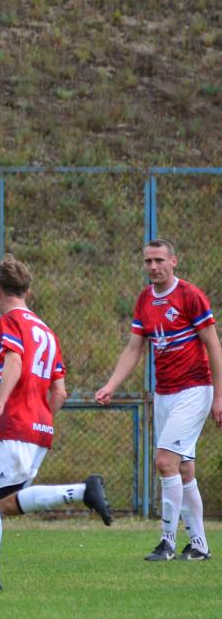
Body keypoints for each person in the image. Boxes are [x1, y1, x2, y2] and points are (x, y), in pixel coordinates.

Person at [0, 255, 113, 591]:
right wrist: (40, 420)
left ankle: (82, 491)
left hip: (18, 423)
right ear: (28, 291)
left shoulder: (8, 322)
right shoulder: (46, 331)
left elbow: (14, 361)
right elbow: (60, 391)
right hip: (40, 425)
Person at [95, 238, 222, 561]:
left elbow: (213, 345)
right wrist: (111, 385)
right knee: (184, 469)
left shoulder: (190, 296)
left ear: (173, 261)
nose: (153, 267)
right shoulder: (145, 299)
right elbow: (134, 348)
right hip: (164, 394)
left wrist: (219, 396)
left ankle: (167, 542)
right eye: (148, 261)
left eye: (159, 260)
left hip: (194, 389)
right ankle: (199, 545)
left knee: (165, 462)